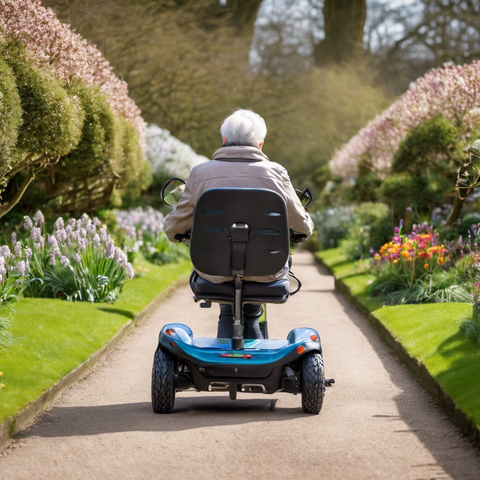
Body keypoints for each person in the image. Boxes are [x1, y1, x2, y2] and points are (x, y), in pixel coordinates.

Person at [163, 109, 314, 339]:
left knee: (227, 305)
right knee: (251, 311)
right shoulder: (276, 173)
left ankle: (225, 360)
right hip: (266, 270)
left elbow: (174, 227)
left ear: (224, 140)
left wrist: (178, 232)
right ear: (260, 145)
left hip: (214, 271)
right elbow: (303, 227)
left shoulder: (199, 174)